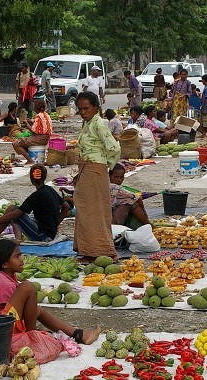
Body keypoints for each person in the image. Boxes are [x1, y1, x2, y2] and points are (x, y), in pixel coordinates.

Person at [0, 239, 102, 344]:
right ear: (4, 264)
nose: (21, 259)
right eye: (17, 256)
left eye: (20, 255)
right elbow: (12, 312)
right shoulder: (3, 282)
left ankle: (79, 335)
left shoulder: (5, 277)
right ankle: (32, 338)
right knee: (27, 287)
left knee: (37, 309)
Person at [74, 91, 119, 259]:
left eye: (86, 108)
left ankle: (100, 250)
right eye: (80, 109)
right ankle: (88, 249)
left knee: (92, 210)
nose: (83, 112)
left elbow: (114, 148)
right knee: (86, 208)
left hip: (95, 169)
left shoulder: (98, 124)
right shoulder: (88, 123)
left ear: (95, 107)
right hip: (88, 167)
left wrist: (107, 166)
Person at [0, 164, 70, 245]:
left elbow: (17, 214)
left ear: (31, 179)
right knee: (15, 212)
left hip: (42, 236)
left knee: (11, 210)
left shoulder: (37, 195)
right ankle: (18, 238)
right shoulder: (50, 189)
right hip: (51, 233)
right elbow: (66, 207)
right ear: (44, 177)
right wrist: (56, 224)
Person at [109, 164, 149, 229]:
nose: (119, 180)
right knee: (130, 202)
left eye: (121, 177)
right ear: (110, 175)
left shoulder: (106, 184)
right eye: (116, 177)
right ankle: (148, 225)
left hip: (108, 217)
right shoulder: (114, 187)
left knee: (127, 200)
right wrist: (144, 213)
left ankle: (145, 225)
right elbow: (137, 198)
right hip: (109, 222)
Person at [13, 99, 52, 164]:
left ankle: (30, 160)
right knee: (24, 142)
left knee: (16, 143)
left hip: (39, 138)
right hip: (46, 138)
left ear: (36, 108)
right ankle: (33, 157)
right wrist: (31, 122)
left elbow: (33, 132)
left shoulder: (38, 116)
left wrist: (27, 124)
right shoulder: (46, 115)